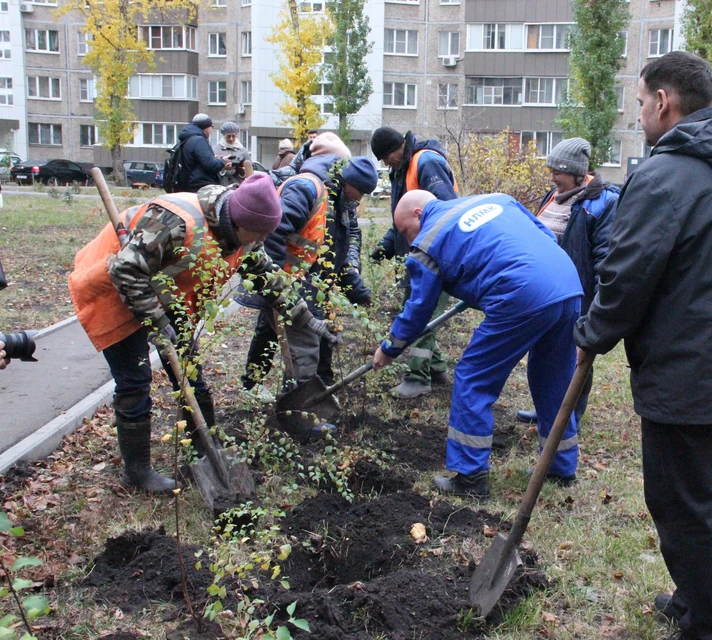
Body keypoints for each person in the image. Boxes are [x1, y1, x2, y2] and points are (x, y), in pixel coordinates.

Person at [573, 51, 712, 640]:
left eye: (640, 103)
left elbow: (626, 273)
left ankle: (708, 627)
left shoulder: (664, 175)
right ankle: (695, 599)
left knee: (680, 504)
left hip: (690, 374)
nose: (639, 115)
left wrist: (592, 334)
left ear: (663, 101)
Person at [69, 174, 332, 494]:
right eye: (260, 233)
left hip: (165, 296)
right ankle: (137, 473)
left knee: (191, 375)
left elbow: (268, 278)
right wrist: (155, 320)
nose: (263, 240)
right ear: (240, 223)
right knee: (135, 382)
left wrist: (305, 319)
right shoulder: (176, 223)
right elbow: (125, 269)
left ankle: (204, 451)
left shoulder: (245, 235)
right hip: (115, 288)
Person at [372, 190, 583, 498]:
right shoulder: (496, 199)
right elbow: (544, 235)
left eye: (405, 231)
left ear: (418, 214)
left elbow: (418, 308)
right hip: (566, 284)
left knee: (473, 377)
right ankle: (560, 467)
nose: (407, 240)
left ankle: (470, 478)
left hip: (520, 293)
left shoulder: (428, 241)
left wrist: (390, 347)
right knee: (553, 379)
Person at [241, 148, 378, 409]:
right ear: (348, 182)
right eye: (359, 192)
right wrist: (277, 286)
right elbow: (272, 235)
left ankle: (285, 389)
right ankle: (299, 409)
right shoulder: (306, 189)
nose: (359, 199)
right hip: (287, 281)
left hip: (311, 281)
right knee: (304, 343)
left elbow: (345, 242)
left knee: (279, 331)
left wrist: (352, 283)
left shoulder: (340, 201)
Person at [514, 137, 619, 428]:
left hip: (579, 293)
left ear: (574, 172)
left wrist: (597, 304)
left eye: (556, 172)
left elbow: (604, 257)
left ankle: (569, 418)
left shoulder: (602, 202)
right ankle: (547, 409)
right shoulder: (555, 194)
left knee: (575, 357)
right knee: (546, 353)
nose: (552, 177)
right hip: (547, 294)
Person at [370, 126, 459, 400]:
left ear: (396, 148)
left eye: (385, 157)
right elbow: (405, 216)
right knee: (420, 311)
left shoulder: (426, 162)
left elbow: (447, 211)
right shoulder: (402, 168)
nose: (385, 164)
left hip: (435, 256)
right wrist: (388, 244)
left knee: (422, 312)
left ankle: (417, 377)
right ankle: (436, 368)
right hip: (417, 254)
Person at [179, 113, 229, 193]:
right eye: (211, 127)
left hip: (189, 184)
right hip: (200, 187)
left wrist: (213, 158)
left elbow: (198, 160)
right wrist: (223, 161)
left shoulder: (188, 138)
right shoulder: (199, 140)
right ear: (206, 127)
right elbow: (211, 165)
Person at [212, 121, 251, 186]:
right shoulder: (215, 150)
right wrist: (222, 168)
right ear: (224, 135)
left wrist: (241, 171)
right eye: (228, 136)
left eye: (233, 136)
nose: (231, 139)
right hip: (221, 186)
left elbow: (250, 170)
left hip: (238, 186)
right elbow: (211, 169)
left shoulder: (242, 150)